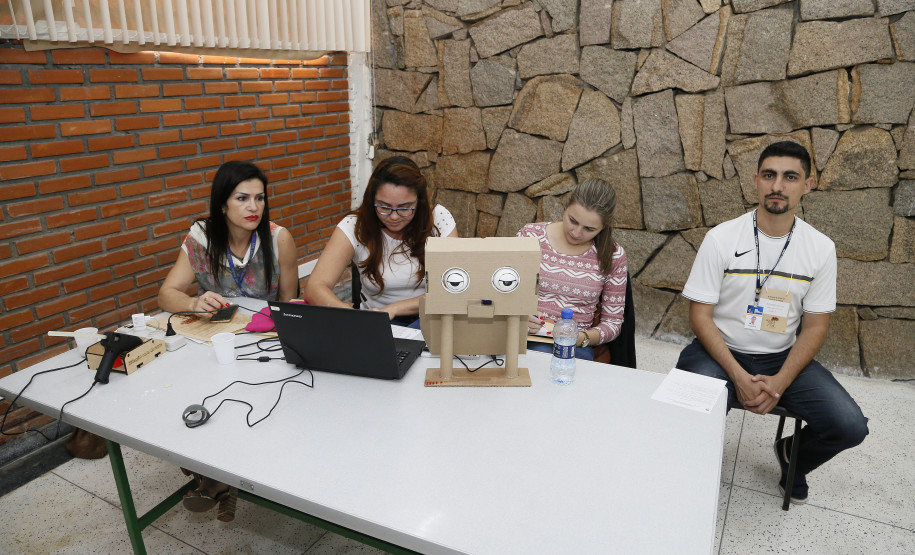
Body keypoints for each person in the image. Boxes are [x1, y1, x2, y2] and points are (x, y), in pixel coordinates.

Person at [676, 141, 868, 504]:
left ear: (807, 185)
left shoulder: (820, 248)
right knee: (683, 406)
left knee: (849, 426)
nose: (778, 185)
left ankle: (795, 455)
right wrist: (738, 376)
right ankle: (690, 472)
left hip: (781, 358)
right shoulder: (721, 238)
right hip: (719, 352)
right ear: (756, 181)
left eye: (790, 177)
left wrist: (779, 382)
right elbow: (699, 316)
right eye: (769, 175)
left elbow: (815, 327)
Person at [157, 160, 298, 521]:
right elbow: (167, 293)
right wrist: (193, 302)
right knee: (196, 396)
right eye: (242, 198)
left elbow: (288, 306)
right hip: (211, 342)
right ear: (222, 204)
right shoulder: (202, 238)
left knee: (250, 403)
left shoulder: (278, 239)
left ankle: (219, 478)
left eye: (260, 198)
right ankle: (213, 473)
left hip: (259, 343)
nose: (254, 207)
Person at [304, 156, 457, 327]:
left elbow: (453, 289)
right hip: (378, 321)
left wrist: (394, 309)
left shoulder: (438, 219)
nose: (393, 216)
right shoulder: (355, 226)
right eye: (384, 207)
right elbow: (315, 287)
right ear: (372, 200)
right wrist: (345, 312)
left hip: (431, 318)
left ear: (419, 202)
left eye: (405, 208)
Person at [517, 179, 628, 361]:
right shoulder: (530, 236)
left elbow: (613, 323)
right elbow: (500, 290)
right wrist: (518, 315)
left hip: (573, 347)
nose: (576, 233)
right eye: (572, 221)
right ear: (565, 207)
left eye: (589, 229)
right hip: (522, 335)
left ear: (603, 228)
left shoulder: (613, 255)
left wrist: (581, 338)